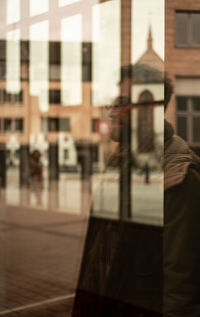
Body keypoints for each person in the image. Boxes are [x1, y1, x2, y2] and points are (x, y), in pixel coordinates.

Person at [164, 78, 200, 316]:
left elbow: (180, 273)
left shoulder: (181, 175)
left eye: (122, 103)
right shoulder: (121, 162)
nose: (112, 111)